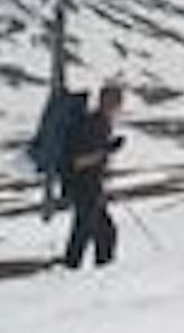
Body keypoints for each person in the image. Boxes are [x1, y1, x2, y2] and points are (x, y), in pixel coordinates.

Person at [63, 83, 125, 269]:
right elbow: (77, 162)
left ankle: (78, 269)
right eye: (116, 102)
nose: (119, 107)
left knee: (96, 232)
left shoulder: (101, 124)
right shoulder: (93, 124)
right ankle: (84, 271)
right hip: (84, 187)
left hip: (88, 187)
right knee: (97, 232)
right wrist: (107, 151)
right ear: (106, 101)